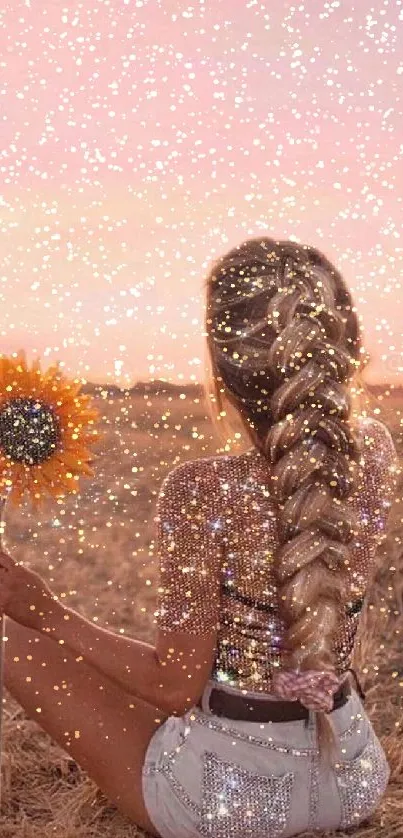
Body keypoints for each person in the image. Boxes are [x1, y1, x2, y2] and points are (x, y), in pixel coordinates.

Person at [0, 237, 399, 838]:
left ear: (219, 369)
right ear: (345, 352)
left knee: (12, 636)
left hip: (228, 800)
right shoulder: (374, 451)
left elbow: (172, 684)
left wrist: (45, 610)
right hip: (354, 775)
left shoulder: (203, 490)